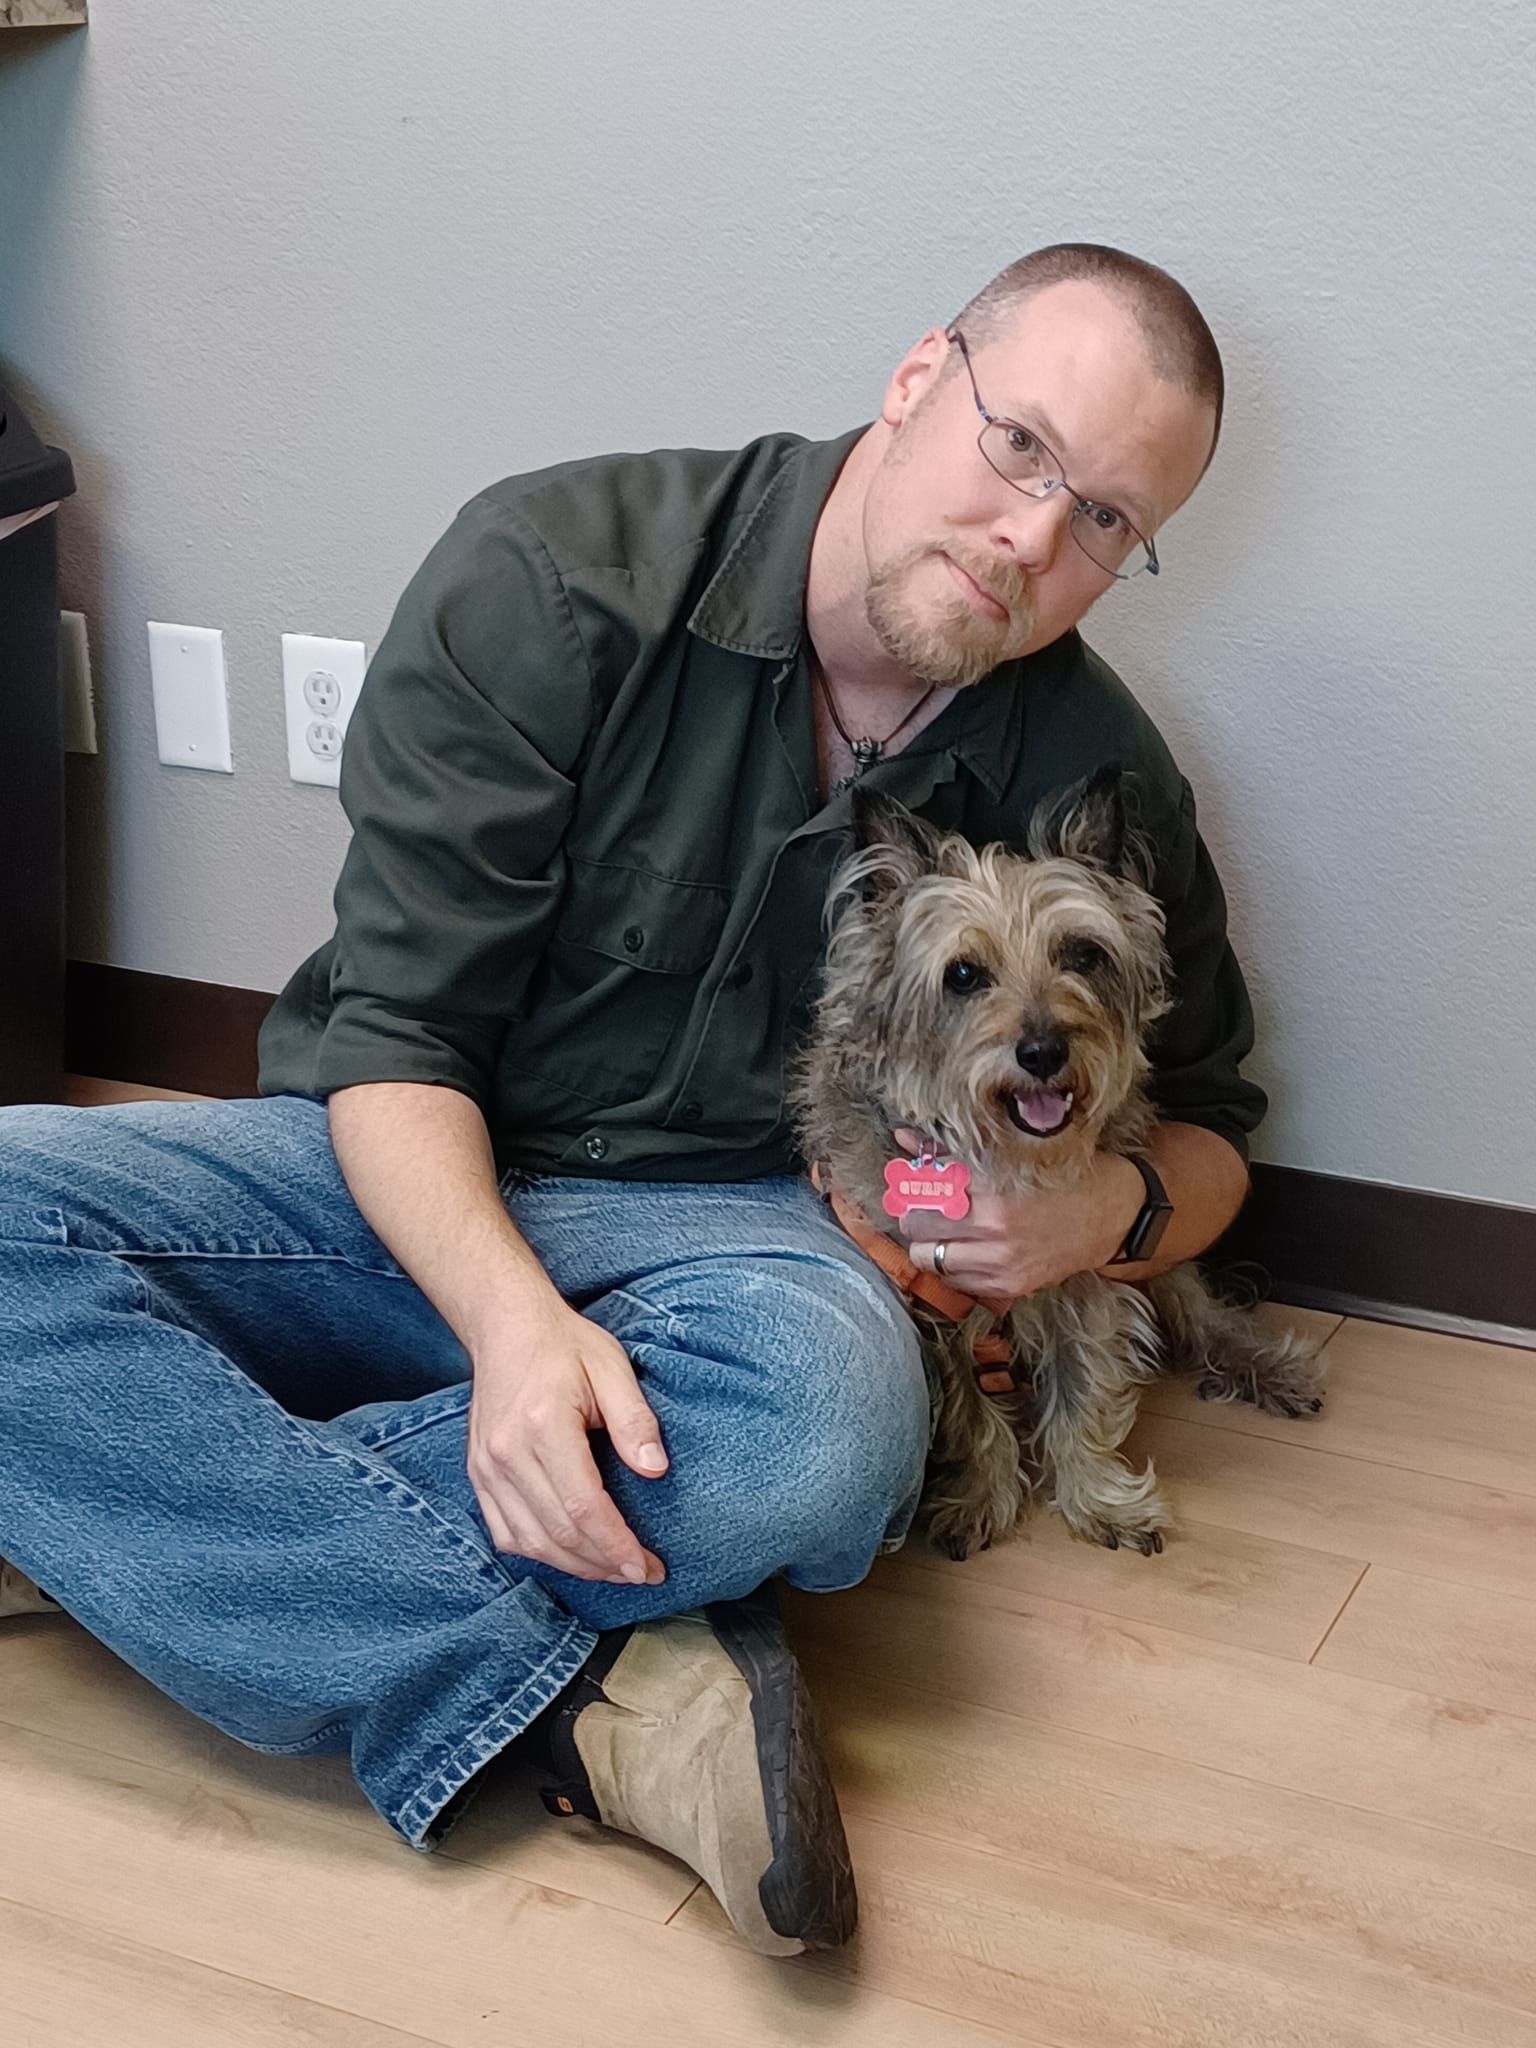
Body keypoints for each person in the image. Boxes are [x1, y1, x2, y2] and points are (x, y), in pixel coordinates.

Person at [0, 243, 1266, 1957]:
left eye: (1110, 518)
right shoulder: (550, 577)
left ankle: (139, 1513)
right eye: (1022, 446)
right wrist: (515, 1334)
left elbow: (1209, 1130)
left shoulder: (1101, 769)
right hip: (399, 1171)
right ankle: (606, 1696)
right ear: (916, 378)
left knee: (832, 1441)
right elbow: (396, 1044)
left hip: (748, 1254)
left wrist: (1100, 1213)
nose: (1037, 537)